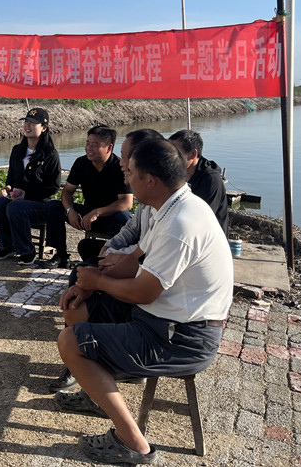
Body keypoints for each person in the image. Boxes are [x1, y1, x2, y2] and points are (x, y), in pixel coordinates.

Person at [55, 139, 233, 465]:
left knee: (70, 341)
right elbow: (135, 261)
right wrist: (89, 284)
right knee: (77, 307)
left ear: (150, 179)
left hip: (183, 336)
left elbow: (143, 292)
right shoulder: (167, 208)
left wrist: (98, 282)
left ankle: (132, 442)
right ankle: (98, 395)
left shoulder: (180, 223)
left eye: (131, 172)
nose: (126, 178)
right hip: (162, 316)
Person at [47, 128, 163, 393]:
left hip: (151, 286)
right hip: (132, 260)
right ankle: (81, 352)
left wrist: (113, 262)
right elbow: (133, 233)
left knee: (84, 273)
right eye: (87, 143)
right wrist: (108, 250)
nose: (123, 165)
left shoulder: (172, 211)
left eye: (126, 157)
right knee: (86, 260)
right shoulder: (150, 201)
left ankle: (84, 355)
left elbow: (141, 244)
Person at [43, 125, 133, 267]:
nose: (89, 148)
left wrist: (97, 212)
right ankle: (61, 255)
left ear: (109, 148)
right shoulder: (81, 163)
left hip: (110, 217)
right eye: (87, 143)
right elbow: (67, 192)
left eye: (95, 145)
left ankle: (119, 259)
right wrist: (70, 211)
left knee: (124, 217)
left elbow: (126, 203)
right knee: (54, 206)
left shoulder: (119, 167)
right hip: (86, 216)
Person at [0, 107, 61, 265]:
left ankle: (27, 251)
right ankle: (7, 246)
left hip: (40, 205)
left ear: (44, 128)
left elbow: (53, 187)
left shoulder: (50, 154)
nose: (27, 126)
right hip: (17, 201)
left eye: (33, 123)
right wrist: (7, 188)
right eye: (26, 122)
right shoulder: (17, 150)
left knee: (15, 207)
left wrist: (26, 195)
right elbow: (11, 179)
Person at [169, 129, 229, 236]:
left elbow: (200, 219)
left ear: (193, 154)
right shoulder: (176, 173)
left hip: (207, 238)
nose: (170, 158)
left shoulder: (211, 180)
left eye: (176, 153)